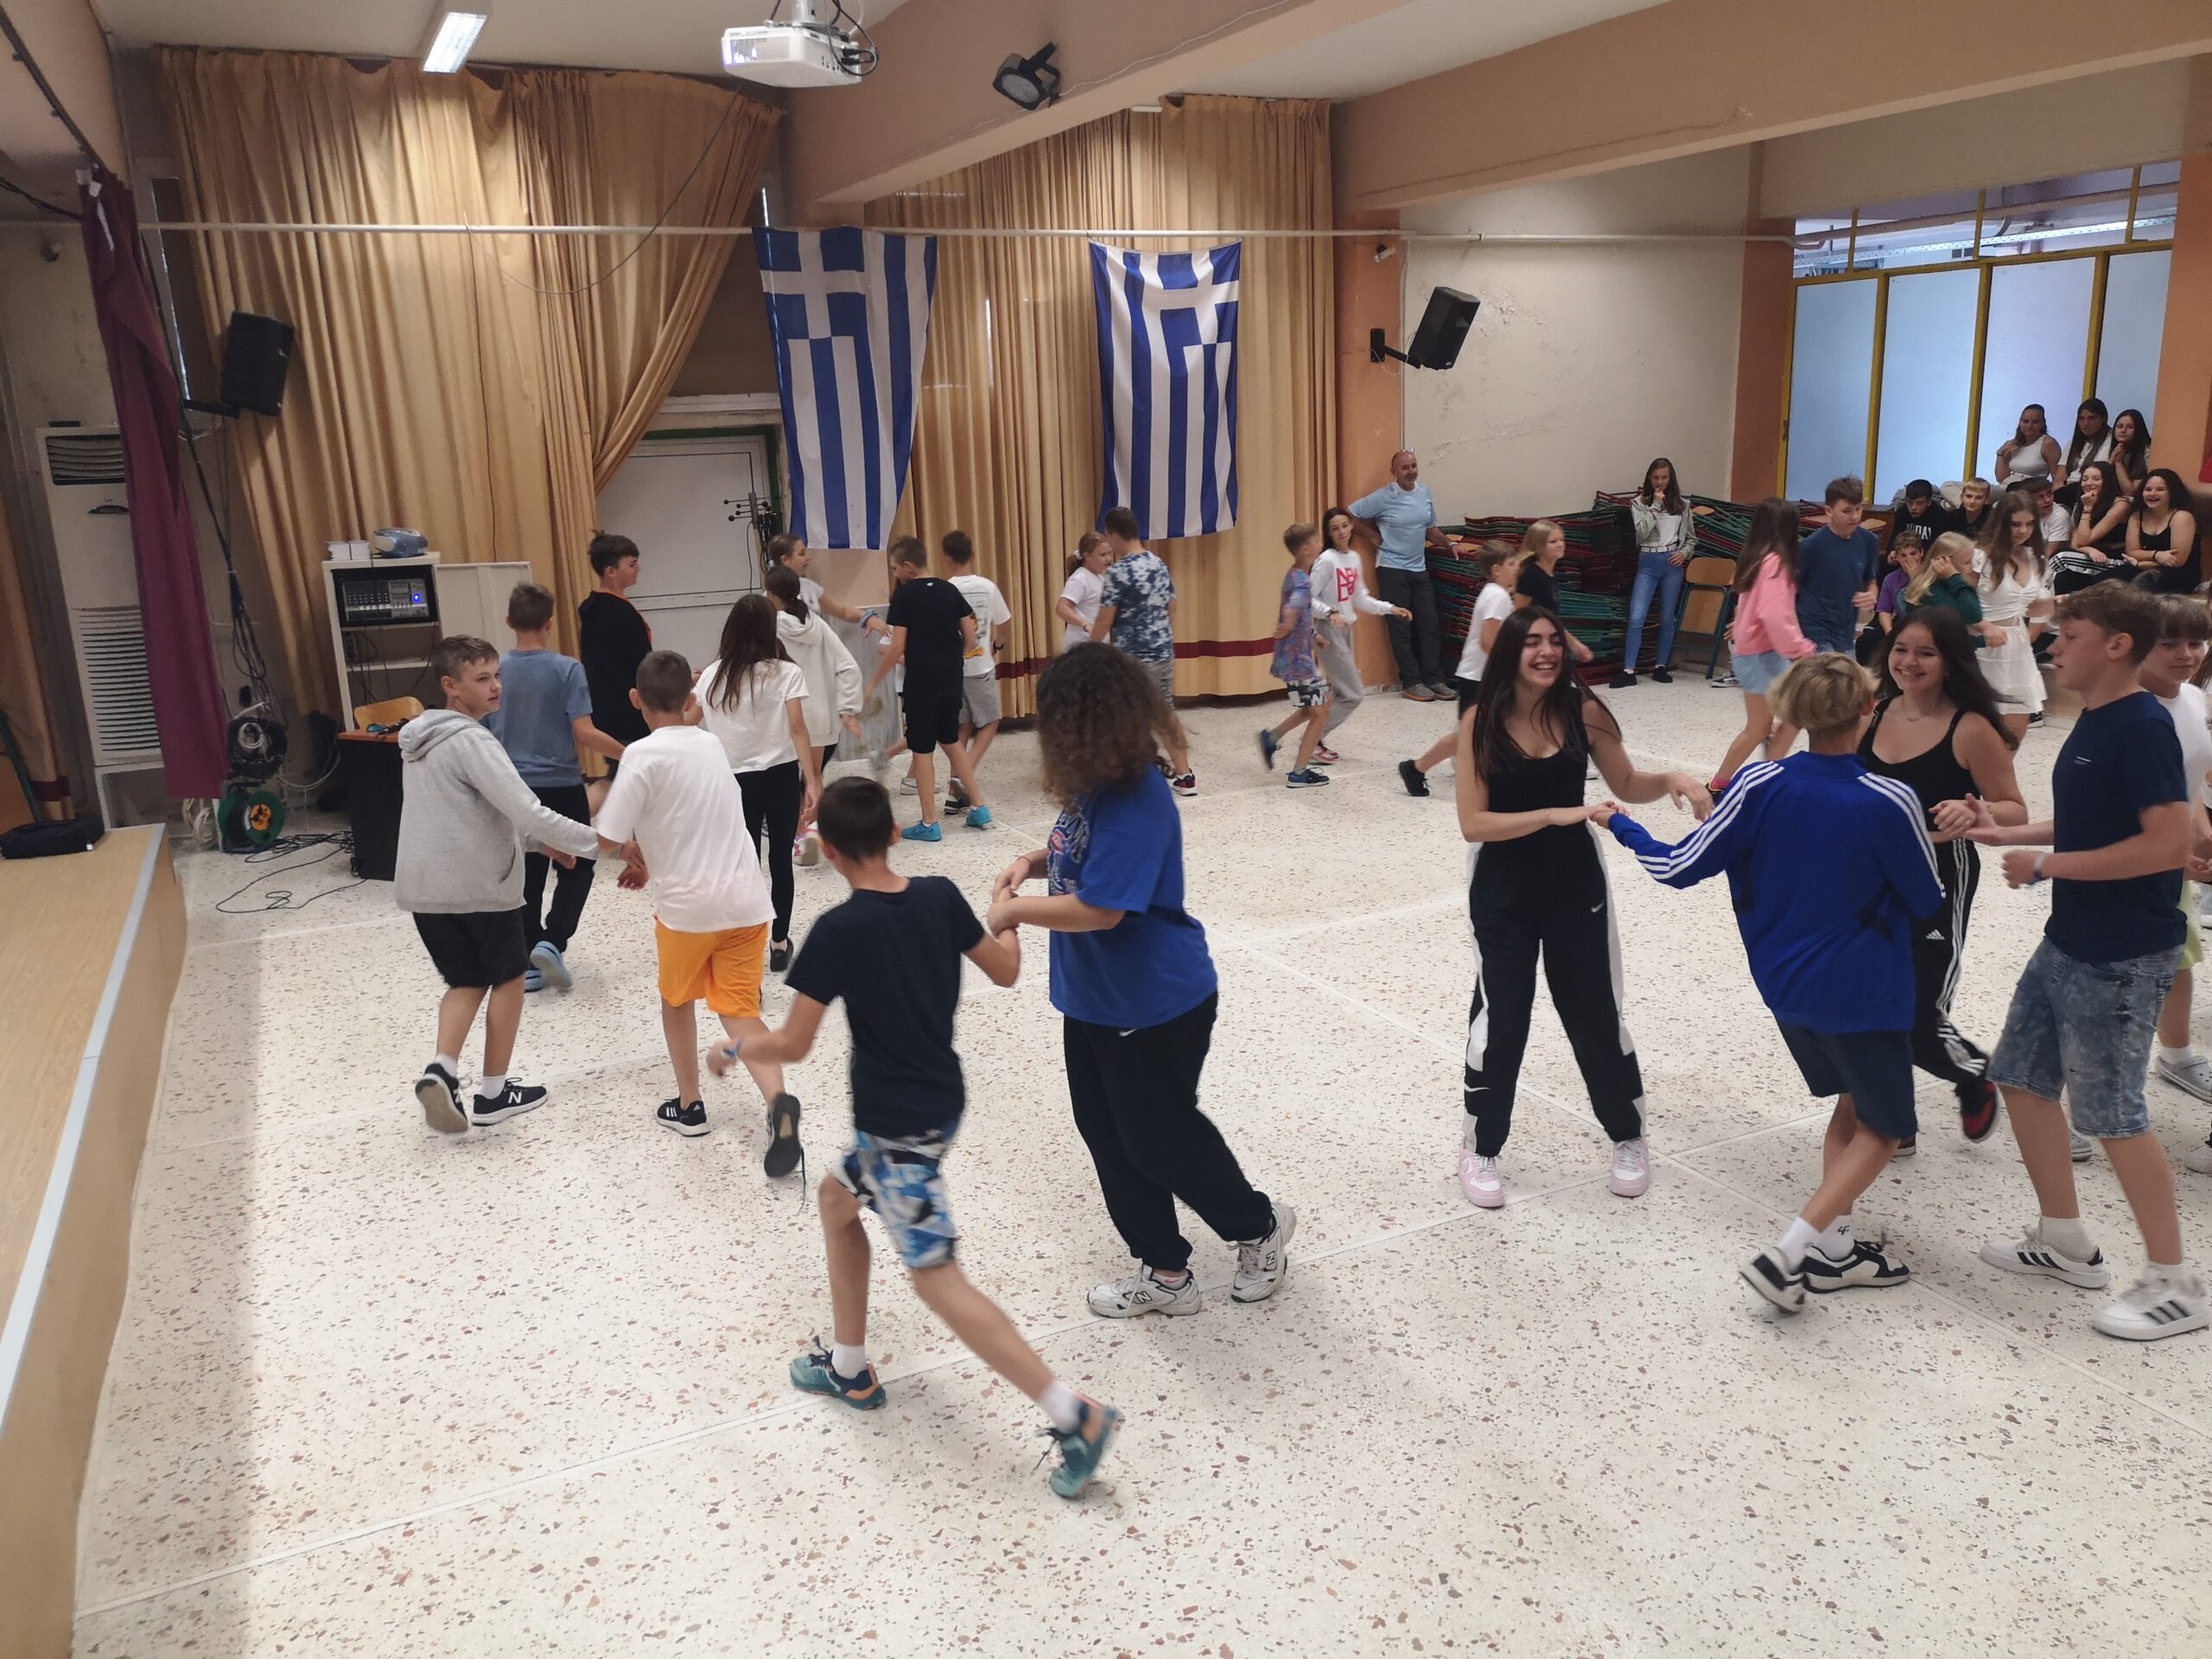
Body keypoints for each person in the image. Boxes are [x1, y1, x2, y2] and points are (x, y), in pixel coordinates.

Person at [715, 777, 1122, 1500]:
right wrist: (1007, 914)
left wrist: (736, 1047)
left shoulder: (838, 931)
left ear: (829, 852)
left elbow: (794, 1045)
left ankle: (1074, 1414)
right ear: (896, 833)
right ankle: (849, 1367)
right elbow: (1005, 971)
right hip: (939, 1102)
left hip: (897, 1130)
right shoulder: (938, 897)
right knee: (837, 1201)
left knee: (936, 1276)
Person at [1601, 655, 1943, 1313]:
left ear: (1789, 711)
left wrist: (1622, 823)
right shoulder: (1890, 799)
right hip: (1866, 992)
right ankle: (1787, 1255)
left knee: (1854, 1101)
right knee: (1886, 1128)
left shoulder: (1757, 784)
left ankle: (1835, 1249)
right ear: (1867, 709)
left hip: (1786, 988)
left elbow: (1676, 867)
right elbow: (1927, 898)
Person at [987, 643, 1294, 1320]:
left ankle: (1258, 1225)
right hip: (1095, 998)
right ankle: (1165, 1271)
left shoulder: (1138, 797)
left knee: (1160, 1137)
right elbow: (1079, 851)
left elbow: (1102, 908)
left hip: (1155, 1003)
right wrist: (1031, 861)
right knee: (1106, 1131)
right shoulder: (1097, 784)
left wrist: (1013, 912)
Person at [1965, 582, 2205, 1341]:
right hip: (2070, 939)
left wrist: (2047, 867)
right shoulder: (2097, 718)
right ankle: (2065, 1240)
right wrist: (2007, 834)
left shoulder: (2143, 727)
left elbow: (2166, 845)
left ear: (2117, 645)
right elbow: (2095, 820)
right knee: (2019, 1078)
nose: (2054, 646)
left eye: (2069, 637)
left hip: (2123, 956)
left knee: (2113, 1117)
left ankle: (2176, 1284)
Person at [1451, 606, 1711, 1209]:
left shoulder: (1585, 710)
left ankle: (1628, 1136)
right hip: (1502, 886)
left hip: (1575, 882)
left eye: (1554, 642)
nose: (1546, 652)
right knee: (1502, 1016)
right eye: (1532, 642)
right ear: (1510, 651)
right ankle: (1480, 1145)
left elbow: (1626, 784)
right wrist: (1555, 814)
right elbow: (1473, 823)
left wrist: (1670, 777)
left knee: (1594, 1011)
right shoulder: (1479, 720)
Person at [598, 648, 801, 1161]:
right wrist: (646, 849)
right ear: (691, 698)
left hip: (687, 911)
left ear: (635, 699)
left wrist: (626, 847)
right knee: (740, 1010)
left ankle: (690, 1106)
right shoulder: (711, 744)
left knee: (676, 1001)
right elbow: (694, 815)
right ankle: (777, 1102)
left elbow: (608, 837)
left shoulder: (641, 754)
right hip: (748, 903)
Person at [397, 635, 603, 1134]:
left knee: (466, 981)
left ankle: (442, 1069)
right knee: (509, 978)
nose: (496, 687)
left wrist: (541, 846)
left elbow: (474, 817)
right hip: (480, 888)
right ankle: (493, 1093)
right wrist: (603, 843)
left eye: (497, 675)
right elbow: (527, 809)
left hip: (426, 889)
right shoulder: (473, 740)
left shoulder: (418, 742)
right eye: (482, 678)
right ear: (450, 685)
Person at [1861, 608, 2025, 1149]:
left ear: (1951, 662)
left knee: (1917, 1012)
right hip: (1869, 876)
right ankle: (1892, 1119)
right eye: (1901, 649)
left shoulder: (1971, 728)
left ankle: (1974, 1074)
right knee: (1865, 997)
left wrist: (1976, 810)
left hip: (1937, 876)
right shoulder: (1873, 712)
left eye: (1926, 653)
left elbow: (2015, 809)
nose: (1909, 662)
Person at [487, 582, 624, 993]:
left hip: (514, 787)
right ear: (550, 623)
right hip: (562, 784)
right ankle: (554, 939)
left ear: (509, 620)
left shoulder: (494, 673)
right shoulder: (567, 669)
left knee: (527, 871)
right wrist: (629, 753)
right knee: (579, 862)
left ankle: (528, 958)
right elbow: (584, 732)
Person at [694, 595, 824, 974]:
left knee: (743, 866)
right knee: (780, 860)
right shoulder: (786, 673)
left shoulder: (712, 676)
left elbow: (687, 722)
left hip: (731, 781)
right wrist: (812, 781)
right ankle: (779, 943)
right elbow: (798, 728)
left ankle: (746, 948)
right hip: (780, 776)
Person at [2140, 597, 2212, 1118]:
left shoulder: (2192, 698)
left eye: (2196, 642)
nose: (2186, 654)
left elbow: (2190, 786)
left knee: (2179, 956)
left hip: (2172, 861)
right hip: (2129, 863)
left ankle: (2177, 1054)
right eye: (2170, 643)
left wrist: (2200, 835)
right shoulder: (2126, 709)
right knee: (2107, 972)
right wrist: (2172, 850)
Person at [869, 537, 993, 838]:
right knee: (951, 740)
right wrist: (950, 660)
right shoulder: (950, 590)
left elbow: (897, 646)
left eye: (895, 568)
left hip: (921, 684)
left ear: (908, 566)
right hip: (952, 679)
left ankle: (928, 823)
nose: (895, 573)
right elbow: (971, 638)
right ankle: (979, 807)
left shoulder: (905, 596)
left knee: (922, 749)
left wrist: (872, 682)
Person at [1400, 539, 1518, 798]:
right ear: (1497, 569)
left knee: (1490, 731)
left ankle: (1493, 773)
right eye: (1512, 564)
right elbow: (1489, 641)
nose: (1516, 568)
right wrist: (1512, 667)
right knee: (1469, 735)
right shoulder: (1497, 597)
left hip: (1481, 675)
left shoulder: (1494, 593)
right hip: (1481, 677)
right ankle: (1416, 768)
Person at [1090, 506, 1196, 793]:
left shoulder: (1119, 572)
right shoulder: (1157, 563)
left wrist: (1088, 650)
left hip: (1133, 658)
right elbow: (1172, 604)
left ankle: (1130, 780)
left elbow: (1105, 619)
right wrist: (1162, 633)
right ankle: (1185, 776)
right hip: (1163, 650)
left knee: (1127, 716)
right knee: (1165, 711)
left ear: (1114, 535)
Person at [1713, 498, 1817, 789]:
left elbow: (1750, 607)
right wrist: (1801, 649)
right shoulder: (1775, 563)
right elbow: (1774, 614)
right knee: (1759, 728)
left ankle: (1767, 776)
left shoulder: (1757, 557)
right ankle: (1718, 786)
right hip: (1759, 655)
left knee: (1791, 715)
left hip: (1760, 652)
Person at [766, 566, 862, 870]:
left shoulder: (769, 627)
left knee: (788, 781)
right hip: (821, 715)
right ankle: (812, 830)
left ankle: (798, 836)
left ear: (770, 594)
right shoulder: (816, 624)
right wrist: (848, 707)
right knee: (813, 777)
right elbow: (849, 666)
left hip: (789, 713)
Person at [1349, 450, 1454, 700]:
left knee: (1429, 624)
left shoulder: (1425, 492)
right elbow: (1350, 514)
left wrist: (1449, 544)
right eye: (1405, 467)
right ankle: (1412, 681)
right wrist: (1372, 536)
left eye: (1414, 466)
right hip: (1392, 569)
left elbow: (1431, 529)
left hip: (1419, 569)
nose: (1411, 471)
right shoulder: (1384, 496)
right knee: (1401, 627)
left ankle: (1434, 679)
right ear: (1394, 471)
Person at [1310, 505, 1409, 760]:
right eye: (1335, 528)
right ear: (1329, 533)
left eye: (1344, 526)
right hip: (1328, 632)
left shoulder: (1353, 558)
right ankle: (1311, 742)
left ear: (1351, 526)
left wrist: (1390, 608)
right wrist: (1329, 612)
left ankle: (1297, 739)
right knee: (1353, 694)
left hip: (1346, 630)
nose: (1341, 532)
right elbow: (1307, 598)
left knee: (1341, 692)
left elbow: (1360, 598)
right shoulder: (1326, 560)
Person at [1255, 523, 1333, 788]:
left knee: (1312, 707)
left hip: (1295, 656)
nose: (1320, 544)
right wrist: (1288, 624)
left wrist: (1312, 634)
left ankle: (1271, 738)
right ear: (1306, 548)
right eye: (1316, 541)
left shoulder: (1294, 574)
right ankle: (1299, 773)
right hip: (1297, 661)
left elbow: (1299, 614)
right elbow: (1292, 608)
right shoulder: (1302, 582)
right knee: (1321, 712)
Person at [1972, 490, 2051, 741]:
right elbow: (1957, 604)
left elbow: (2032, 607)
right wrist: (1984, 627)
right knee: (1980, 727)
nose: (2023, 531)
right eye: (2016, 524)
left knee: (2016, 727)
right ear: (2001, 522)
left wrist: (2063, 605)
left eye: (2029, 524)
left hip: (2017, 645)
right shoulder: (1979, 556)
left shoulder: (2033, 558)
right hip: (1981, 645)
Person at [940, 530, 1013, 802]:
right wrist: (998, 645)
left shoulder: (944, 589)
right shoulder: (987, 587)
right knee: (991, 721)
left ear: (946, 559)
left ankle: (953, 796)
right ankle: (964, 774)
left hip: (952, 668)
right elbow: (1004, 624)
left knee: (961, 726)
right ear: (972, 555)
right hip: (980, 666)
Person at [577, 532, 652, 790]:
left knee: (621, 775)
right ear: (611, 571)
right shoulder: (616, 612)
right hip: (626, 711)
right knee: (627, 778)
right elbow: (641, 662)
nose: (638, 569)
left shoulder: (597, 608)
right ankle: (585, 812)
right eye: (632, 564)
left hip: (608, 707)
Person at [1614, 456, 1694, 689]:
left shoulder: (1683, 505)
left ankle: (1661, 666)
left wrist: (1684, 553)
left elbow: (1691, 538)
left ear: (1671, 478)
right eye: (1656, 477)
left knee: (1667, 617)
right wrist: (1656, 506)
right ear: (1649, 479)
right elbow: (1642, 533)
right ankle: (1629, 670)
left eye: (1664, 477)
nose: (1660, 482)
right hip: (1648, 562)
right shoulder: (1639, 504)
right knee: (1637, 615)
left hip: (1671, 562)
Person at [1796, 477, 1882, 657]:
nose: (1855, 516)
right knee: (1830, 673)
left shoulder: (1869, 541)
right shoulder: (1812, 546)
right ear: (1829, 511)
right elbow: (1793, 587)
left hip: (1845, 629)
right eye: (1847, 511)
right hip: (1814, 628)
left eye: (1858, 509)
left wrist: (1871, 595)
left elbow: (1871, 580)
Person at [1512, 519, 1596, 664]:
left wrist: (1574, 644)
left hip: (1547, 640)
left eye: (1562, 540)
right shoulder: (1531, 575)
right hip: (1533, 646)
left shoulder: (1551, 575)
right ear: (1539, 546)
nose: (1560, 545)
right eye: (1553, 542)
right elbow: (1519, 615)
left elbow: (1551, 618)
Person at [766, 531, 880, 632]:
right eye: (802, 554)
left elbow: (843, 611)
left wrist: (867, 617)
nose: (808, 558)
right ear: (785, 559)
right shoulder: (768, 599)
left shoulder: (809, 587)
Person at [2046, 461, 2132, 594]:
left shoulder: (2120, 504)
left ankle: (2033, 594)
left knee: (2061, 557)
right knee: (2065, 577)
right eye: (2085, 479)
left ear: (2107, 481)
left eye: (2096, 479)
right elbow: (2076, 542)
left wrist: (2087, 508)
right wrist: (2089, 550)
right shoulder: (2084, 501)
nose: (2089, 483)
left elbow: (2084, 540)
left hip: (2114, 559)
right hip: (2092, 556)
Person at [2124, 468, 2202, 595]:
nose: (2152, 494)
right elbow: (2131, 552)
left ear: (2172, 492)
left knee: (2140, 586)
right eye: (2148, 489)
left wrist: (2140, 563)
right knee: (2104, 580)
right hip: (2144, 567)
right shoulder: (2137, 516)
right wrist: (2157, 555)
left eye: (2160, 490)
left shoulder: (2182, 517)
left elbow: (2176, 561)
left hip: (2180, 574)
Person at [1896, 533, 1986, 635]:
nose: (1972, 567)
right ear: (1945, 562)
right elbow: (1973, 615)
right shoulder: (1931, 591)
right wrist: (1954, 577)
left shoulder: (1950, 584)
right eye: (1967, 562)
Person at [1055, 531, 1112, 653]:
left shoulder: (1100, 577)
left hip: (1097, 645)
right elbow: (1062, 608)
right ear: (1087, 556)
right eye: (1103, 555)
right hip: (1081, 646)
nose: (1108, 559)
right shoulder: (1080, 579)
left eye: (1109, 553)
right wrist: (1085, 624)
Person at [1883, 479, 1960, 558]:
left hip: (1929, 559)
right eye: (1910, 502)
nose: (1913, 507)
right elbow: (1894, 539)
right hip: (1905, 556)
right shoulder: (1902, 513)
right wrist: (1891, 554)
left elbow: (1941, 547)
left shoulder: (1939, 516)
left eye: (1919, 503)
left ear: (1929, 502)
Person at [1995, 403, 2063, 489]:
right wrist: (2000, 454)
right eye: (2026, 421)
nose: (2029, 426)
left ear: (2042, 424)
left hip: (2030, 489)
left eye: (2035, 422)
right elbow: (2001, 478)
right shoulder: (2013, 444)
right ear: (2020, 422)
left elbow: (2057, 478)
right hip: (2007, 486)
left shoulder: (2048, 443)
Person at [2063, 397, 2114, 486]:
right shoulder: (2074, 442)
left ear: (2103, 419)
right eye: (2082, 419)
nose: (2086, 423)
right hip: (2069, 486)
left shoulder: (2111, 442)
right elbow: (2060, 476)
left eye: (2092, 418)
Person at [2111, 409, 2152, 498]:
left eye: (2130, 427)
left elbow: (2129, 491)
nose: (2123, 430)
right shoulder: (2112, 448)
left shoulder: (2147, 452)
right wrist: (2111, 460)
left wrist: (2118, 462)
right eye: (2119, 426)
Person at [2028, 475, 2073, 550]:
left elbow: (2048, 554)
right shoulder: (2021, 514)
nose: (2047, 500)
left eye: (2049, 494)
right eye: (2040, 497)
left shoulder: (2060, 515)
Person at [1958, 476, 1996, 541]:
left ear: (1987, 500)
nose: (1972, 501)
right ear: (1961, 497)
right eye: (1968, 496)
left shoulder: (1995, 519)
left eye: (1978, 498)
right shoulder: (1953, 517)